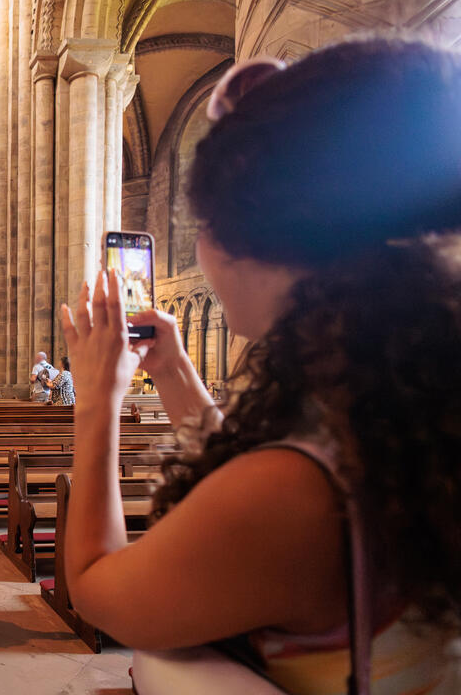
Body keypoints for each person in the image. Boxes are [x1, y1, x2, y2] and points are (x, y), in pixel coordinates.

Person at [60, 38, 461, 694]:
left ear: (252, 240)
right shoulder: (401, 408)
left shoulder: (294, 495)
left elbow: (101, 589)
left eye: (205, 219)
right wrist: (175, 375)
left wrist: (97, 402)